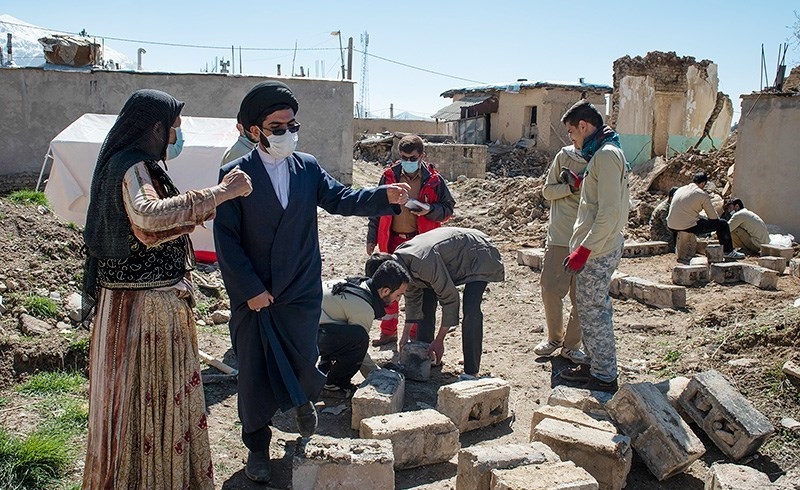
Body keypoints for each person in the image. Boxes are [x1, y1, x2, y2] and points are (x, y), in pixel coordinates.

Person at [213, 81, 411, 483]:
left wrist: (383, 196)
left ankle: (301, 400)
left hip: (300, 289)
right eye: (277, 126)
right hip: (257, 294)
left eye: (292, 124)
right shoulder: (234, 176)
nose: (287, 133)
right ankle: (257, 447)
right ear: (253, 131)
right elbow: (227, 242)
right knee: (253, 371)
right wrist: (250, 290)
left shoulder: (307, 167)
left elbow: (341, 199)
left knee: (304, 356)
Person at [81, 89, 253, 489]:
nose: (177, 135)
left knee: (143, 403)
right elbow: (148, 216)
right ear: (155, 127)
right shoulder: (132, 167)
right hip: (143, 311)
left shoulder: (128, 164)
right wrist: (221, 193)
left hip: (137, 305)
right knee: (145, 401)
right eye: (174, 127)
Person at [365, 227, 505, 379]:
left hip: (479, 253)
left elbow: (450, 297)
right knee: (426, 300)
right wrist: (405, 335)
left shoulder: (422, 262)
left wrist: (440, 340)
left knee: (471, 309)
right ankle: (426, 356)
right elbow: (413, 297)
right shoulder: (400, 266)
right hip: (449, 259)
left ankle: (471, 371)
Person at [558, 100, 629, 394]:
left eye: (573, 133)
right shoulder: (600, 155)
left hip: (597, 250)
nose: (572, 140)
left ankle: (604, 375)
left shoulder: (607, 156)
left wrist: (584, 249)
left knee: (594, 310)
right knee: (587, 310)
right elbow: (599, 198)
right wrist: (579, 181)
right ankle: (593, 362)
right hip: (595, 246)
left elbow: (610, 211)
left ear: (585, 127)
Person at [366, 134, 455, 347]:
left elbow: (448, 209)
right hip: (392, 241)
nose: (408, 161)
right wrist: (371, 237)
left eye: (413, 157)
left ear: (422, 156)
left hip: (420, 245)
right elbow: (376, 208)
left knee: (416, 289)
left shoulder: (434, 180)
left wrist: (429, 210)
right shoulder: (389, 177)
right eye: (404, 157)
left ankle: (414, 334)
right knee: (388, 286)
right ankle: (388, 332)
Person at [317, 260, 410, 395]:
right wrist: (378, 375)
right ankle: (334, 384)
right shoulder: (363, 308)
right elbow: (359, 349)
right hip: (303, 335)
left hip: (306, 324)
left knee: (344, 331)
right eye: (398, 295)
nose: (398, 300)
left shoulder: (359, 284)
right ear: (385, 291)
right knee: (358, 338)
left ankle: (324, 370)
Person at [534, 145, 589, 365]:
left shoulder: (603, 158)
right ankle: (554, 338)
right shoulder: (564, 156)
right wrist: (571, 187)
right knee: (549, 288)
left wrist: (583, 185)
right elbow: (547, 191)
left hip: (587, 237)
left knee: (581, 297)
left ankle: (571, 346)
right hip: (559, 236)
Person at [667, 172, 745, 260]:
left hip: (671, 225)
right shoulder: (701, 194)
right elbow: (714, 218)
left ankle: (676, 248)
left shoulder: (680, 190)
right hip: (687, 226)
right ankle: (728, 251)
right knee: (723, 224)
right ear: (703, 183)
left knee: (683, 220)